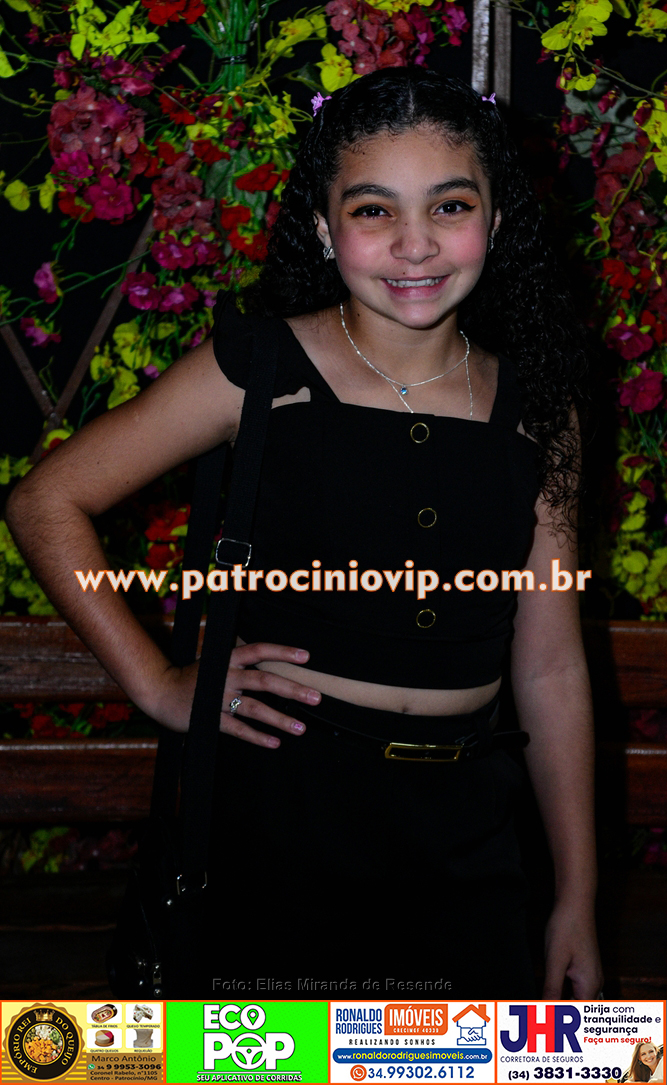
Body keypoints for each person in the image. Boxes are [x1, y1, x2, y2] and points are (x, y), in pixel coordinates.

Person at [6, 67, 603, 998]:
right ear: (325, 228)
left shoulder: (539, 407)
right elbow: (46, 502)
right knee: (267, 1059)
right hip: (279, 821)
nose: (414, 243)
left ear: (495, 220)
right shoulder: (257, 369)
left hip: (471, 843)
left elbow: (552, 665)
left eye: (449, 206)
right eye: (373, 210)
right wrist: (158, 683)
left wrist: (576, 895)